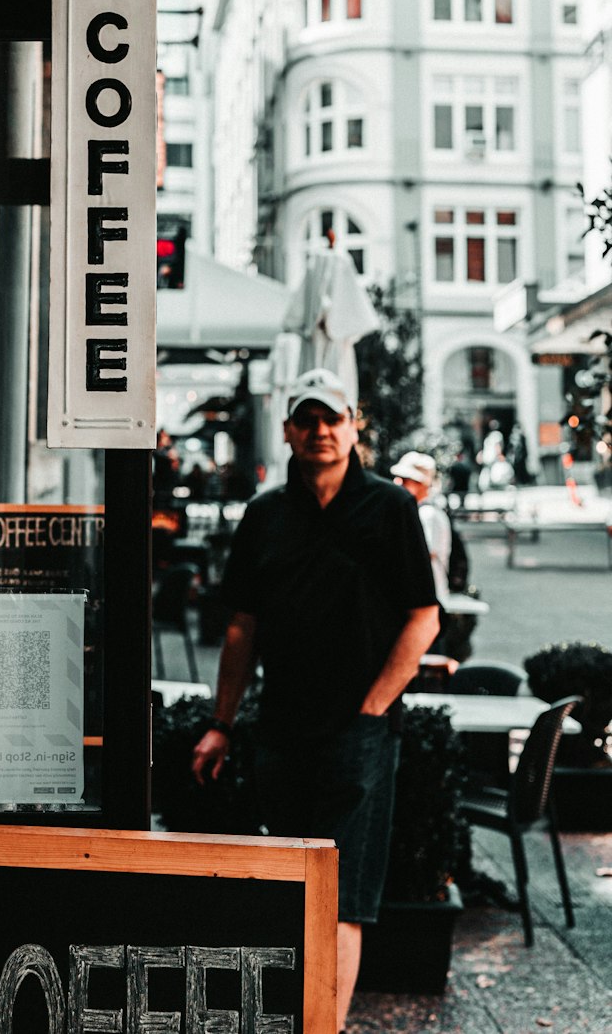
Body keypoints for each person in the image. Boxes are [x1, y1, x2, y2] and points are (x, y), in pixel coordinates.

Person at [191, 368, 439, 1034]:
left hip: (359, 731)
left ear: (353, 426)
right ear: (289, 430)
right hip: (280, 726)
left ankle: (323, 1028)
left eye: (332, 418)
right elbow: (241, 626)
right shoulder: (265, 515)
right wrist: (222, 724)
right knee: (292, 887)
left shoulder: (391, 508)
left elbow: (424, 618)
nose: (321, 430)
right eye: (308, 419)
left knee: (343, 898)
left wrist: (372, 709)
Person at [389, 450, 452, 607]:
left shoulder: (427, 514)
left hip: (424, 599)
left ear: (422, 483)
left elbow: (419, 553)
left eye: (405, 480)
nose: (397, 483)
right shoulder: (417, 510)